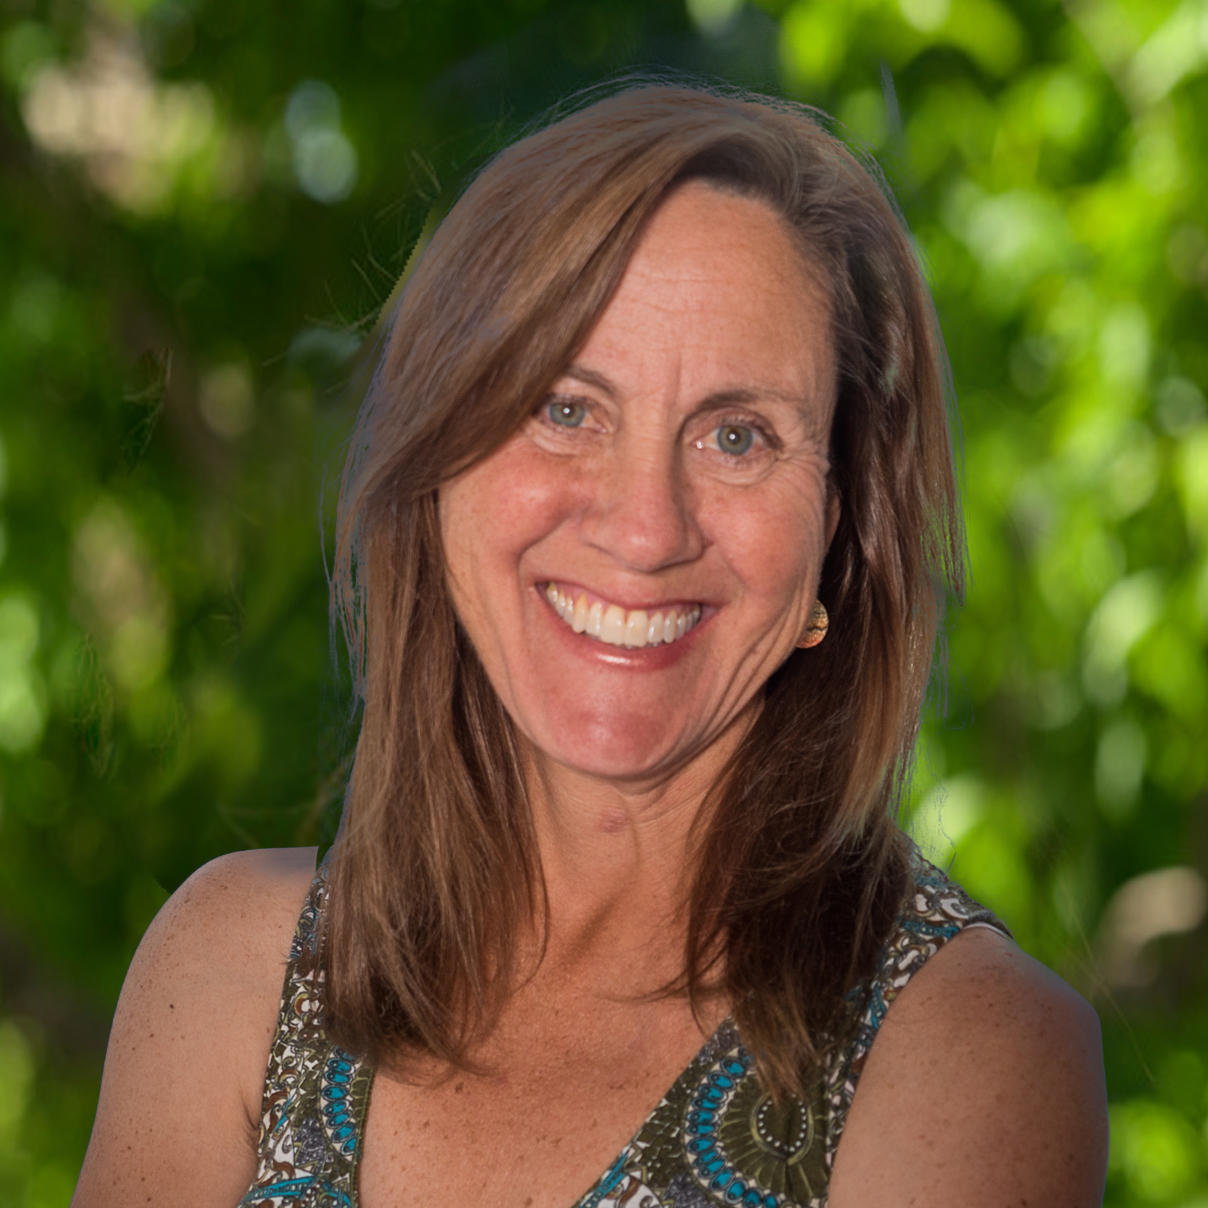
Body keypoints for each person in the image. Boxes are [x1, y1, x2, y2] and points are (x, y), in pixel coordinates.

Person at [72, 82, 1108, 1207]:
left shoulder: (966, 1049)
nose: (644, 526)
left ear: (838, 528)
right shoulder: (229, 976)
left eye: (734, 434)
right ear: (439, 461)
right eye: (566, 407)